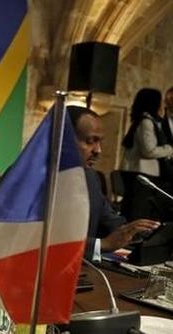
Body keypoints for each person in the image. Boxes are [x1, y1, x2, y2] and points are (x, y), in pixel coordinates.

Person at [67, 106, 159, 260]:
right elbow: (37, 241)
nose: (98, 150)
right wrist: (101, 245)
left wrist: (141, 232)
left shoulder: (90, 177)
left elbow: (110, 221)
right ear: (65, 139)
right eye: (90, 141)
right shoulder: (30, 181)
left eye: (99, 142)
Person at [121, 88, 173, 183]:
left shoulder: (147, 120)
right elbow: (148, 151)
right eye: (161, 102)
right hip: (142, 173)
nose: (163, 105)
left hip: (143, 173)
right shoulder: (146, 122)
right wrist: (170, 149)